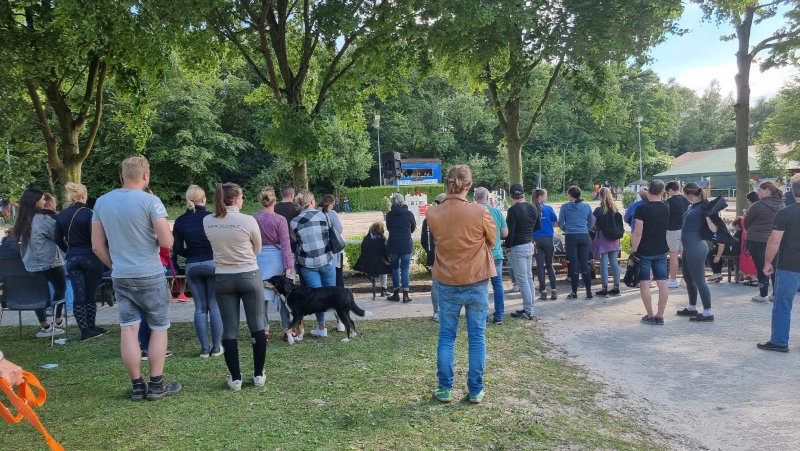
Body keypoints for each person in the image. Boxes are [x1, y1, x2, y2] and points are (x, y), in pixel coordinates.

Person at [91, 156, 181, 401]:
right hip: (150, 273)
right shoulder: (151, 201)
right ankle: (156, 384)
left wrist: (115, 265)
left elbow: (97, 246)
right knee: (158, 328)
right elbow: (167, 242)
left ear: (122, 175)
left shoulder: (102, 202)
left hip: (121, 275)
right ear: (145, 175)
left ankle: (137, 386)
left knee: (129, 328)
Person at [426, 165, 496, 404]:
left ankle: (445, 388)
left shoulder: (433, 213)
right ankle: (475, 390)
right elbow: (492, 240)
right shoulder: (480, 211)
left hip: (446, 280)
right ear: (469, 185)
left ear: (447, 184)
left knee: (447, 336)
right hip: (476, 279)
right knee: (476, 337)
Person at [203, 183, 266, 391]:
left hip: (223, 277)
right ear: (237, 199)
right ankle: (258, 374)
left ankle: (236, 378)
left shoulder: (208, 221)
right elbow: (257, 248)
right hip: (249, 274)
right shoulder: (248, 220)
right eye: (242, 197)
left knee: (229, 328)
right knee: (256, 324)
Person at [173, 185, 223, 358]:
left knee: (200, 308)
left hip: (192, 265)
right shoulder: (212, 217)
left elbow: (177, 248)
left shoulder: (180, 221)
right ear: (203, 199)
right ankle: (216, 347)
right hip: (212, 263)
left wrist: (191, 255)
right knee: (214, 306)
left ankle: (204, 348)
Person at [54, 182, 107, 341]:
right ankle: (91, 327)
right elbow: (95, 238)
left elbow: (57, 239)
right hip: (90, 257)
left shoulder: (61, 215)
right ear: (83, 195)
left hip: (72, 257)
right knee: (90, 295)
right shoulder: (89, 213)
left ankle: (84, 330)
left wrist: (69, 250)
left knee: (79, 295)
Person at [11, 188, 66, 339]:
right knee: (60, 288)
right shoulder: (42, 220)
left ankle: (44, 326)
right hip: (49, 262)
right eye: (42, 199)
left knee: (38, 295)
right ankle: (58, 320)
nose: (44, 201)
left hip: (30, 263)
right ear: (35, 202)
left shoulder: (21, 220)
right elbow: (57, 235)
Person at [757, 176, 800, 352]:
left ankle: (780, 341)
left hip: (790, 264)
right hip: (790, 265)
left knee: (783, 304)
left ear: (793, 192)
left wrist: (768, 262)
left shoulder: (786, 213)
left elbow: (774, 240)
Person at [676, 183, 725, 322]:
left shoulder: (705, 207)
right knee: (688, 278)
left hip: (696, 248)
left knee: (699, 281)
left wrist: (708, 216)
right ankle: (692, 308)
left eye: (685, 194)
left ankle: (708, 313)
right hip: (688, 248)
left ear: (689, 194)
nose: (685, 197)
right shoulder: (694, 206)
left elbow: (714, 229)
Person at [291, 190, 336, 336]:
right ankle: (341, 321)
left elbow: (295, 240)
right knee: (333, 293)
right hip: (326, 259)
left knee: (316, 298)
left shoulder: (294, 222)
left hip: (307, 264)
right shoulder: (324, 215)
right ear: (312, 202)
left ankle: (321, 327)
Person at [253, 186, 294, 342]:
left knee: (260, 297)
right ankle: (287, 329)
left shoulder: (253, 218)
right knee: (282, 296)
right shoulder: (280, 219)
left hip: (258, 257)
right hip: (276, 258)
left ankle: (264, 330)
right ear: (274, 201)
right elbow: (285, 244)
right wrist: (288, 265)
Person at [630, 180, 670, 325]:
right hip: (661, 248)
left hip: (645, 250)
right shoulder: (666, 207)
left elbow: (638, 233)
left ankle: (650, 315)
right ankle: (660, 316)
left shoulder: (641, 209)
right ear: (663, 191)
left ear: (649, 190)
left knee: (645, 282)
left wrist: (633, 251)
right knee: (662, 282)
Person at [744, 181, 784, 303]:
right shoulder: (782, 205)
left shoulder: (757, 206)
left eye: (759, 190)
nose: (757, 192)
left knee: (761, 266)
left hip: (757, 240)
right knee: (775, 267)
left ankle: (763, 294)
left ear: (767, 191)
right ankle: (776, 294)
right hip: (776, 240)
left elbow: (746, 223)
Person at [474, 187, 508, 324]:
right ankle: (499, 316)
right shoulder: (496, 211)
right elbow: (505, 233)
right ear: (487, 197)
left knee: (482, 286)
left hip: (480, 255)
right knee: (498, 285)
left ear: (475, 198)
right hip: (496, 253)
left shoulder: (472, 212)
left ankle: (484, 316)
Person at [505, 184, 539, 320]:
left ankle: (528, 310)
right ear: (523, 194)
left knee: (522, 280)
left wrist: (507, 246)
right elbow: (538, 226)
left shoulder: (513, 210)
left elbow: (510, 232)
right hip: (529, 244)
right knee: (529, 278)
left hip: (518, 247)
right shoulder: (533, 207)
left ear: (511, 196)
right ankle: (530, 308)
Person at [559, 186, 594, 300]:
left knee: (574, 264)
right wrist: (584, 229)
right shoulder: (587, 206)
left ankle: (574, 292)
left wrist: (568, 229)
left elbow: (561, 223)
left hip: (571, 236)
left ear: (570, 195)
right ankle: (589, 292)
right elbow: (591, 221)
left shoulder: (565, 207)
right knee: (585, 264)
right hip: (584, 236)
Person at [385, 193, 416, 303]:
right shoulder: (409, 214)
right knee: (405, 269)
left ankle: (396, 293)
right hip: (406, 245)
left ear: (392, 202)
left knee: (394, 269)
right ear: (403, 201)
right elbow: (413, 229)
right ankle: (406, 295)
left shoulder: (389, 215)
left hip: (393, 244)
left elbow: (388, 228)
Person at [591, 187, 622, 297]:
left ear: (600, 196)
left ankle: (604, 288)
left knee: (603, 263)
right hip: (614, 238)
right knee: (614, 262)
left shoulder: (599, 210)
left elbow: (592, 224)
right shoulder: (615, 209)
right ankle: (616, 288)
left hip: (603, 237)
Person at [420, 194, 446, 319]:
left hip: (434, 255)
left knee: (436, 284)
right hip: (447, 256)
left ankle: (437, 311)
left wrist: (430, 251)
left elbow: (424, 240)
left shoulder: (428, 219)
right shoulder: (449, 217)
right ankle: (444, 311)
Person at [533, 189, 559, 300]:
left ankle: (543, 291)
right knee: (549, 264)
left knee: (540, 265)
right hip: (548, 238)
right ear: (541, 197)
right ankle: (553, 290)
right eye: (546, 196)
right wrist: (548, 225)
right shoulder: (548, 208)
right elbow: (555, 222)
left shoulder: (531, 208)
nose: (546, 198)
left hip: (536, 239)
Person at [354, 221, 391, 298]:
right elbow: (385, 252)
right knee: (385, 267)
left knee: (381, 266)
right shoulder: (382, 239)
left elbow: (363, 251)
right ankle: (384, 289)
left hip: (366, 264)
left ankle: (379, 287)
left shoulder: (366, 238)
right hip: (378, 264)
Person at [665, 181, 690, 289]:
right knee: (685, 256)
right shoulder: (686, 200)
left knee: (673, 256)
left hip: (672, 230)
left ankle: (673, 280)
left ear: (670, 190)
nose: (668, 194)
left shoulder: (668, 202)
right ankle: (687, 279)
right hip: (685, 230)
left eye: (668, 192)